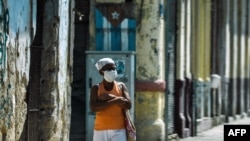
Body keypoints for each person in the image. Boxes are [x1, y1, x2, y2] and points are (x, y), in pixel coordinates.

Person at [90, 57, 132, 141]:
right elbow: (93, 108)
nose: (113, 71)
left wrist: (110, 97)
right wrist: (116, 101)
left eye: (114, 68)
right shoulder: (96, 88)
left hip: (119, 129)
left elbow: (128, 105)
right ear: (101, 72)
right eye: (109, 69)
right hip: (100, 129)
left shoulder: (121, 86)